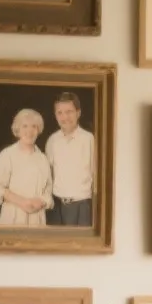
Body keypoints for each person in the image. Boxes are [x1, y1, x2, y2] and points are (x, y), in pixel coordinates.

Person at [0, 108, 53, 227]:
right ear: (17, 129)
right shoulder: (7, 155)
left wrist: (41, 202)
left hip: (37, 219)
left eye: (34, 126)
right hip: (13, 217)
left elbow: (48, 189)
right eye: (25, 126)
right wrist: (23, 203)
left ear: (38, 130)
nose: (29, 131)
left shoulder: (43, 159)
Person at [44, 92, 94, 228]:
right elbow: (48, 175)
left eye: (69, 112)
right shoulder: (52, 141)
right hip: (57, 207)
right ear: (55, 115)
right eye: (59, 112)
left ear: (78, 113)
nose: (64, 117)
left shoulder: (90, 140)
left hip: (82, 206)